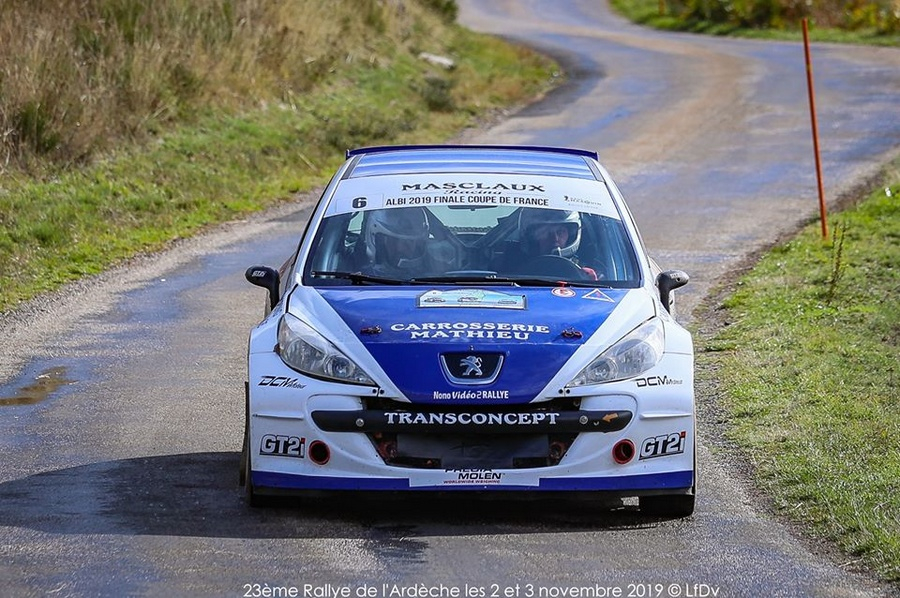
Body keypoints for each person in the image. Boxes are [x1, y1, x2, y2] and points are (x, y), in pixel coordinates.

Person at [499, 208, 597, 279]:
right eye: (545, 232)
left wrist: (590, 281)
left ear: (571, 234)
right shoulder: (510, 270)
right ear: (531, 236)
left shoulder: (587, 273)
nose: (555, 238)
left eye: (560, 232)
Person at [360, 207, 433, 277]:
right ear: (380, 242)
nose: (400, 248)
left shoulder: (436, 274)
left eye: (408, 242)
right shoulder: (357, 277)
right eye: (394, 240)